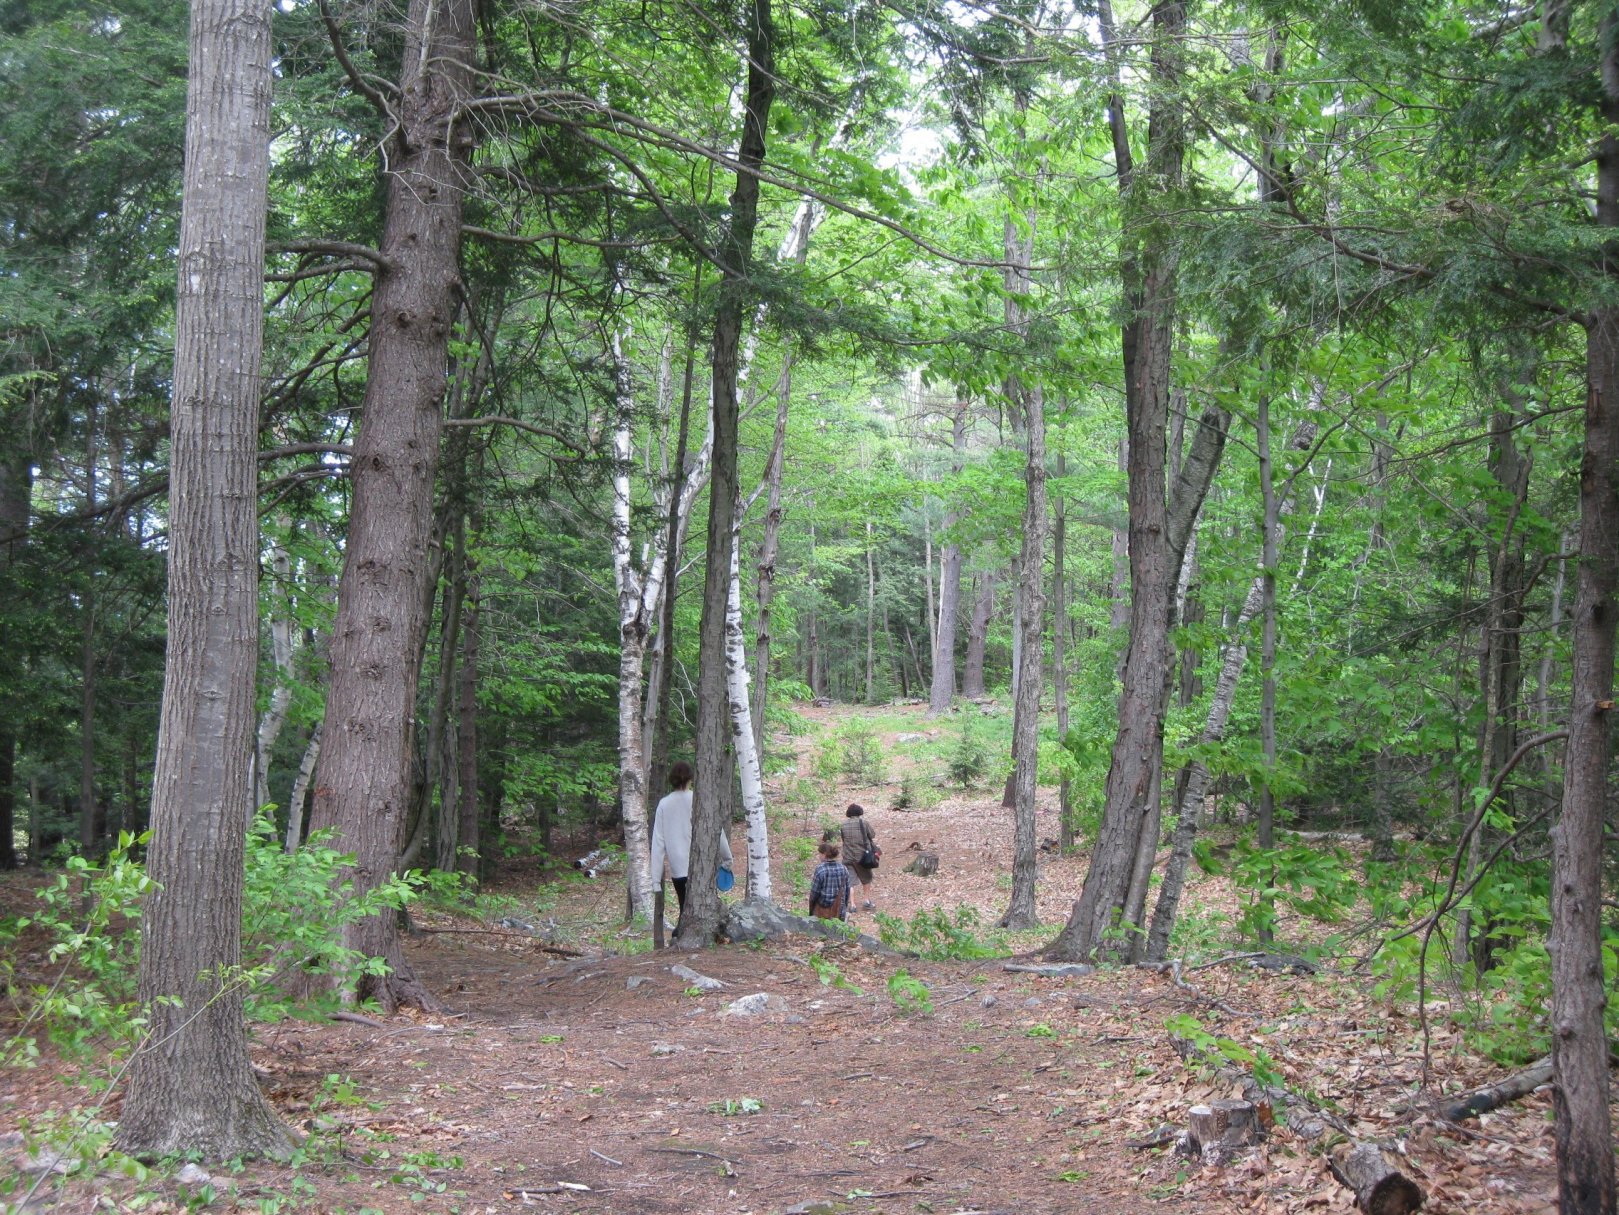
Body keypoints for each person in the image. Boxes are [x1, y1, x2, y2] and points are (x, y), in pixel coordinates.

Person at [648, 761, 733, 916]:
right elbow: (716, 831)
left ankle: (681, 933)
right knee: (700, 909)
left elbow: (658, 842)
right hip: (701, 865)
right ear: (690, 779)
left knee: (684, 906)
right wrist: (727, 859)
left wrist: (655, 880)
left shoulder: (664, 804)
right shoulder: (698, 800)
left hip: (678, 866)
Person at [838, 803, 878, 913]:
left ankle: (852, 905)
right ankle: (866, 900)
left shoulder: (843, 825)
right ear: (859, 812)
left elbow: (843, 839)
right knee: (867, 878)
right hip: (863, 857)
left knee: (850, 881)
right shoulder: (863, 823)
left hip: (848, 856)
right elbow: (873, 834)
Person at [807, 840, 852, 920]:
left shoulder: (820, 869)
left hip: (822, 911)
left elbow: (814, 893)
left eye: (820, 854)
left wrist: (811, 910)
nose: (819, 856)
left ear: (824, 855)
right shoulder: (843, 868)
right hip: (839, 910)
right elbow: (847, 891)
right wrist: (844, 907)